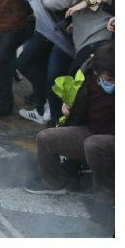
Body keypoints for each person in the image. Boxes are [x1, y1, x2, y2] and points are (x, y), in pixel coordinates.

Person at [25, 42, 113, 203]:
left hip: (111, 141)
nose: (110, 83)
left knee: (93, 144)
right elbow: (80, 106)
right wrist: (69, 109)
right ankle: (53, 183)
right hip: (92, 132)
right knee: (46, 137)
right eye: (107, 79)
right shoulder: (90, 79)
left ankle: (107, 197)